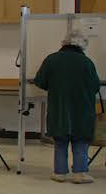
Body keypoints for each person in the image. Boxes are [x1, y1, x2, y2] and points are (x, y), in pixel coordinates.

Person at [34, 30, 100, 184]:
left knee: (60, 140)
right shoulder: (87, 63)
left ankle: (60, 173)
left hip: (59, 108)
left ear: (64, 43)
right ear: (82, 45)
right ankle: (80, 173)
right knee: (80, 141)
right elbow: (95, 86)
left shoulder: (51, 60)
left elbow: (40, 82)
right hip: (82, 110)